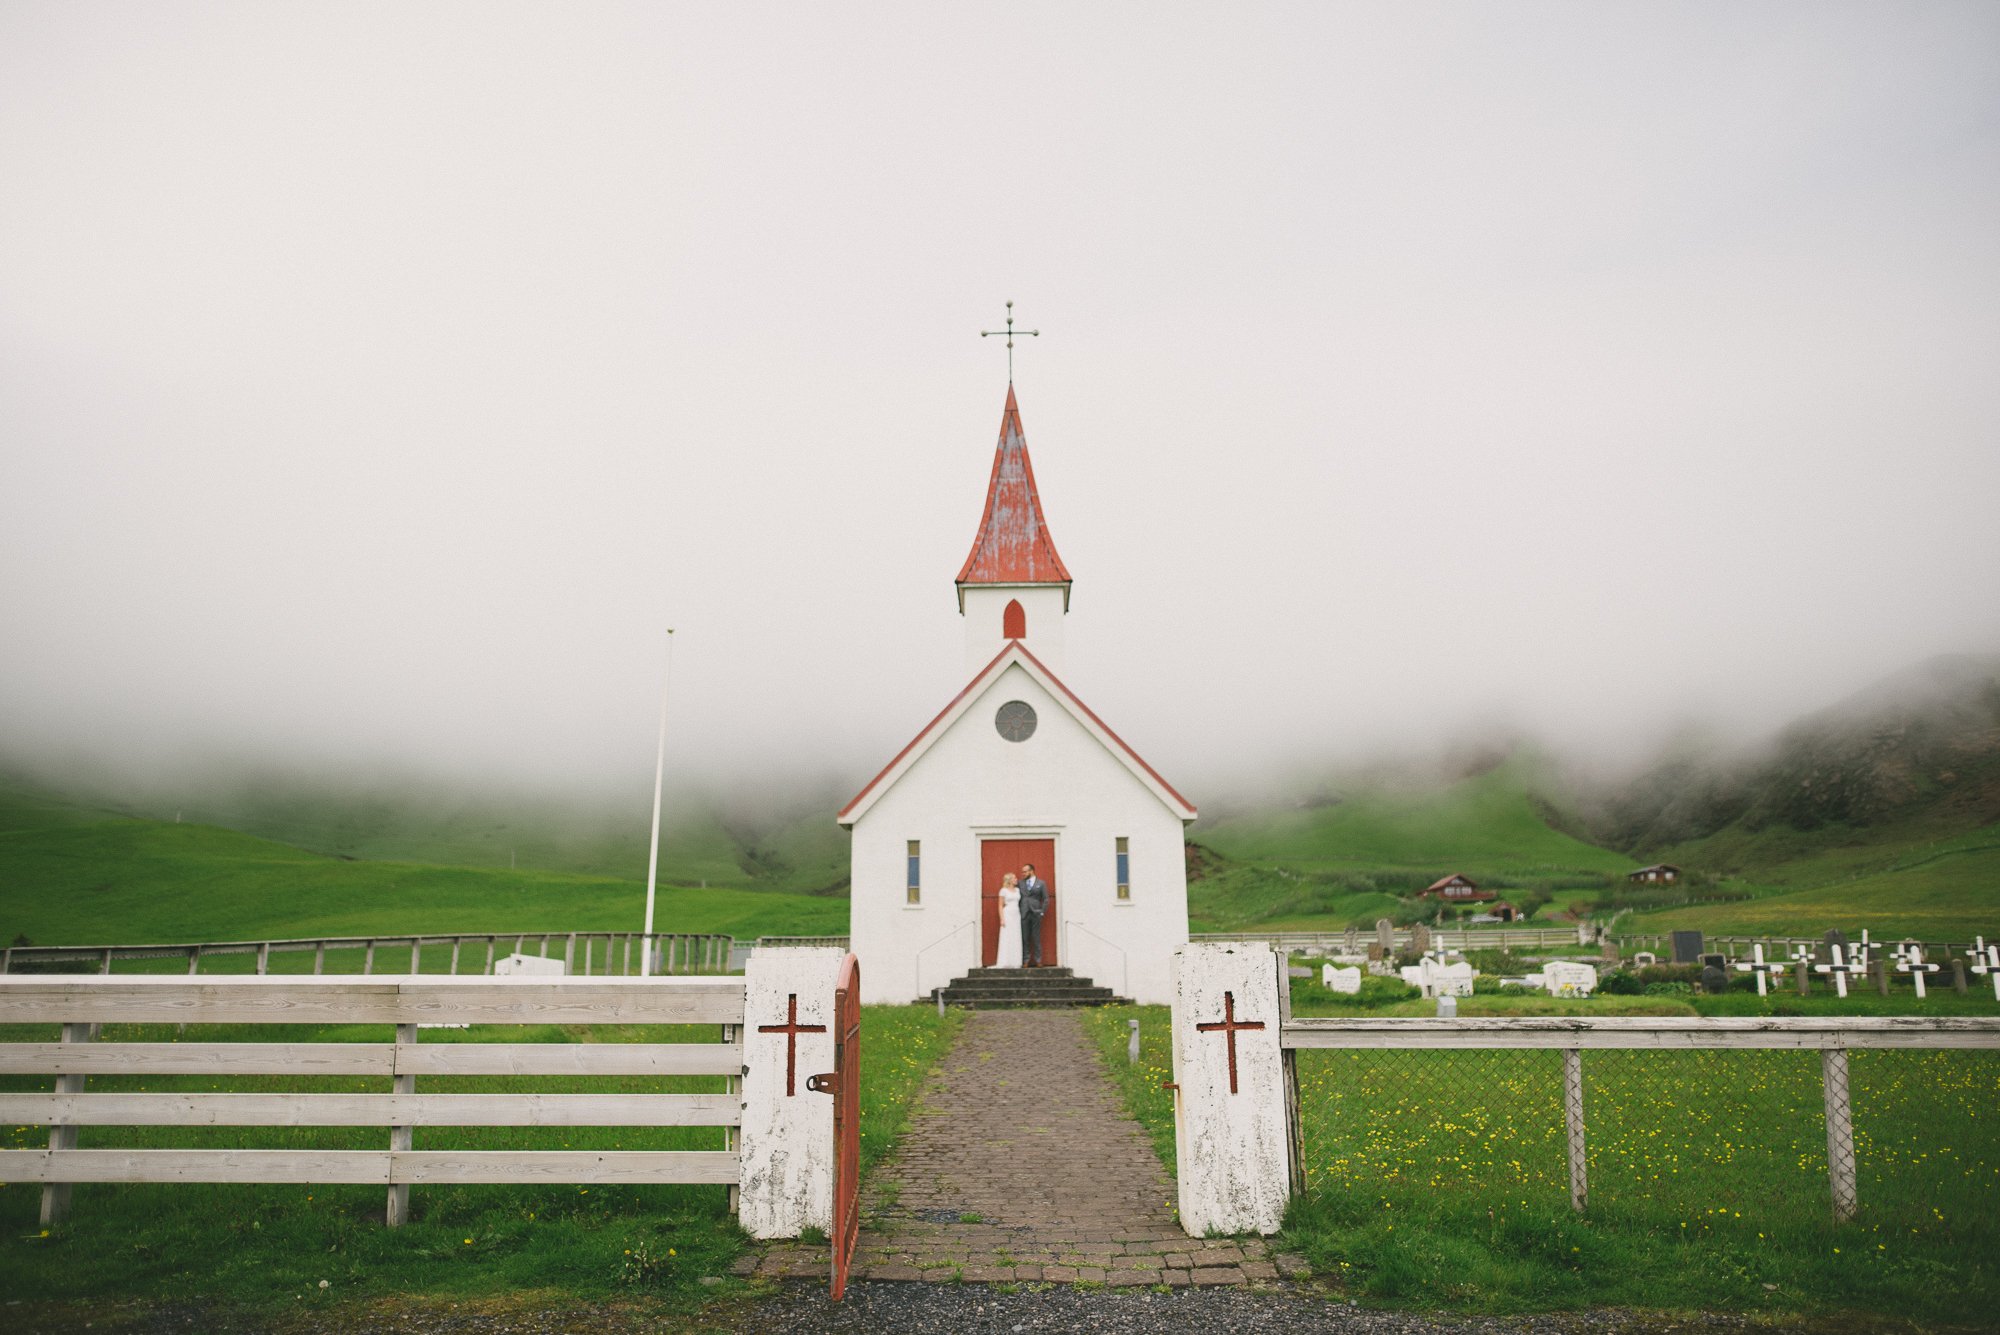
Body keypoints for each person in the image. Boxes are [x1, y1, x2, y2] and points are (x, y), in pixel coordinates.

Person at [1017, 863, 1048, 967]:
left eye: (1025, 871)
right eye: (1022, 872)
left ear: (1031, 871)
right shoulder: (1020, 883)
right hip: (1024, 913)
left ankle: (1038, 960)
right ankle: (1025, 960)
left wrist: (1042, 911)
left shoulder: (1041, 883)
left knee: (1036, 937)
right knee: (1025, 938)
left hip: (1036, 913)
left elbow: (1046, 899)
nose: (1023, 874)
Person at [994, 873, 1023, 969]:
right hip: (1007, 914)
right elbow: (1000, 905)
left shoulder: (1017, 890)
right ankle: (1005, 960)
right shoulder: (1003, 891)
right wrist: (1002, 919)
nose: (1016, 879)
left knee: (1016, 936)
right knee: (1007, 936)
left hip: (1016, 915)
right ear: (1009, 880)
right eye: (1014, 878)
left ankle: (1015, 961)